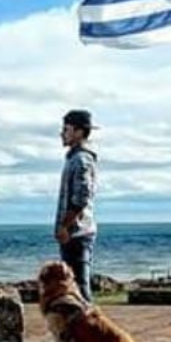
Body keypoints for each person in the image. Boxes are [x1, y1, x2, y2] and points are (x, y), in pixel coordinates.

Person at [55, 108, 98, 302]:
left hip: (78, 232)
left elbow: (82, 197)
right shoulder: (74, 158)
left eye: (66, 129)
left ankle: (90, 329)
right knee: (75, 287)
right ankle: (83, 329)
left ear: (79, 132)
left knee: (79, 288)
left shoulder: (81, 159)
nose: (62, 134)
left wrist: (65, 226)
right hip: (75, 232)